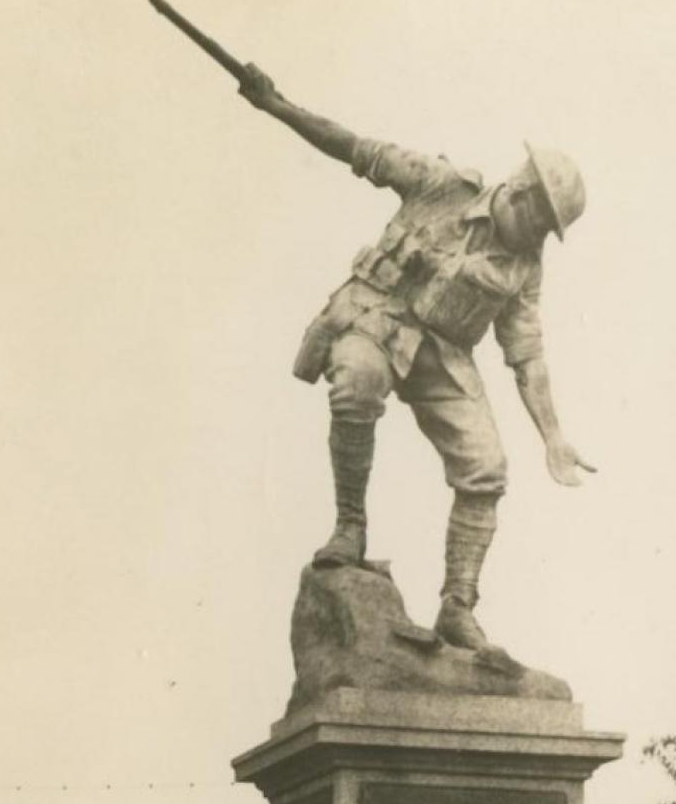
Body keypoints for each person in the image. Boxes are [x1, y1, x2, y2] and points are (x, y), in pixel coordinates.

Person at [238, 61, 595, 651]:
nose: (539, 235)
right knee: (356, 379)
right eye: (542, 219)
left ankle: (458, 606)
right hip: (377, 314)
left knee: (486, 468)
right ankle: (350, 527)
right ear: (521, 191)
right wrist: (277, 105)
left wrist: (553, 437)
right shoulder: (439, 184)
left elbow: (527, 355)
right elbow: (353, 147)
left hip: (442, 353)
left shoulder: (524, 269)